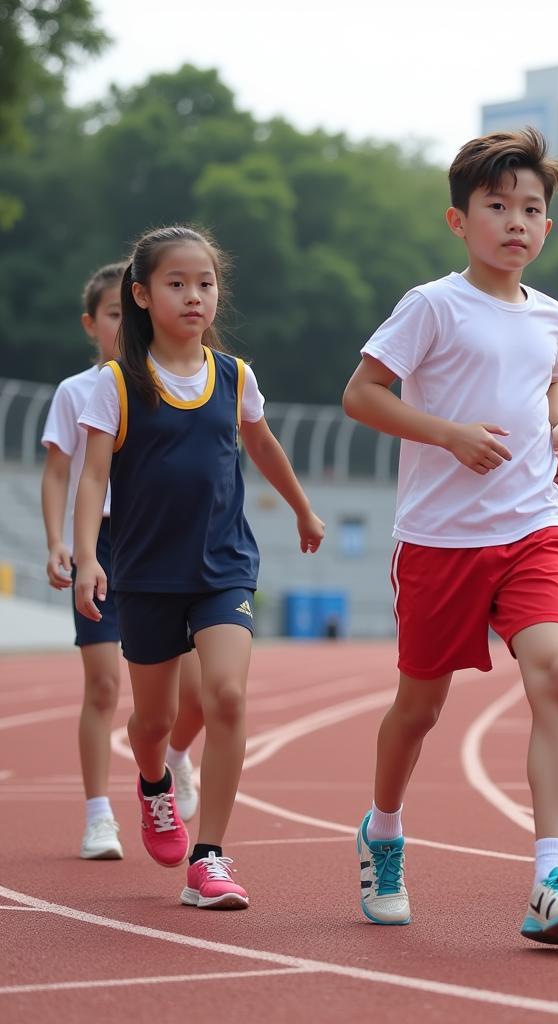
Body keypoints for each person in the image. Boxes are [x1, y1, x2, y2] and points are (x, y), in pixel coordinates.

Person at [342, 128, 558, 945]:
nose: (515, 222)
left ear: (548, 228)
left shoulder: (553, 315)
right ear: (460, 220)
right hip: (440, 540)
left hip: (532, 529)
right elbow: (361, 395)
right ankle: (383, 830)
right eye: (497, 207)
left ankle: (550, 879)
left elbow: (545, 386)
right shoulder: (430, 305)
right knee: (419, 708)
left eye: (531, 209)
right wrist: (448, 433)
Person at [73, 226, 324, 909]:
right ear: (143, 295)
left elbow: (263, 445)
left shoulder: (235, 376)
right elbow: (94, 476)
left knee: (228, 698)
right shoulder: (117, 384)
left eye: (205, 284)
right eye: (177, 284)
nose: (194, 296)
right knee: (150, 723)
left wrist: (303, 510)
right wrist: (89, 555)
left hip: (223, 567)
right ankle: (154, 783)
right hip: (146, 574)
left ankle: (210, 856)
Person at [41, 263, 204, 859]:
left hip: (160, 543)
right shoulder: (78, 392)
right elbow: (61, 471)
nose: (122, 324)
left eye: (127, 314)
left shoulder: (169, 380)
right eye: (111, 315)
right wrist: (60, 543)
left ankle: (177, 757)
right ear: (92, 324)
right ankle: (97, 815)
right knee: (105, 685)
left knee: (199, 696)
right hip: (102, 544)